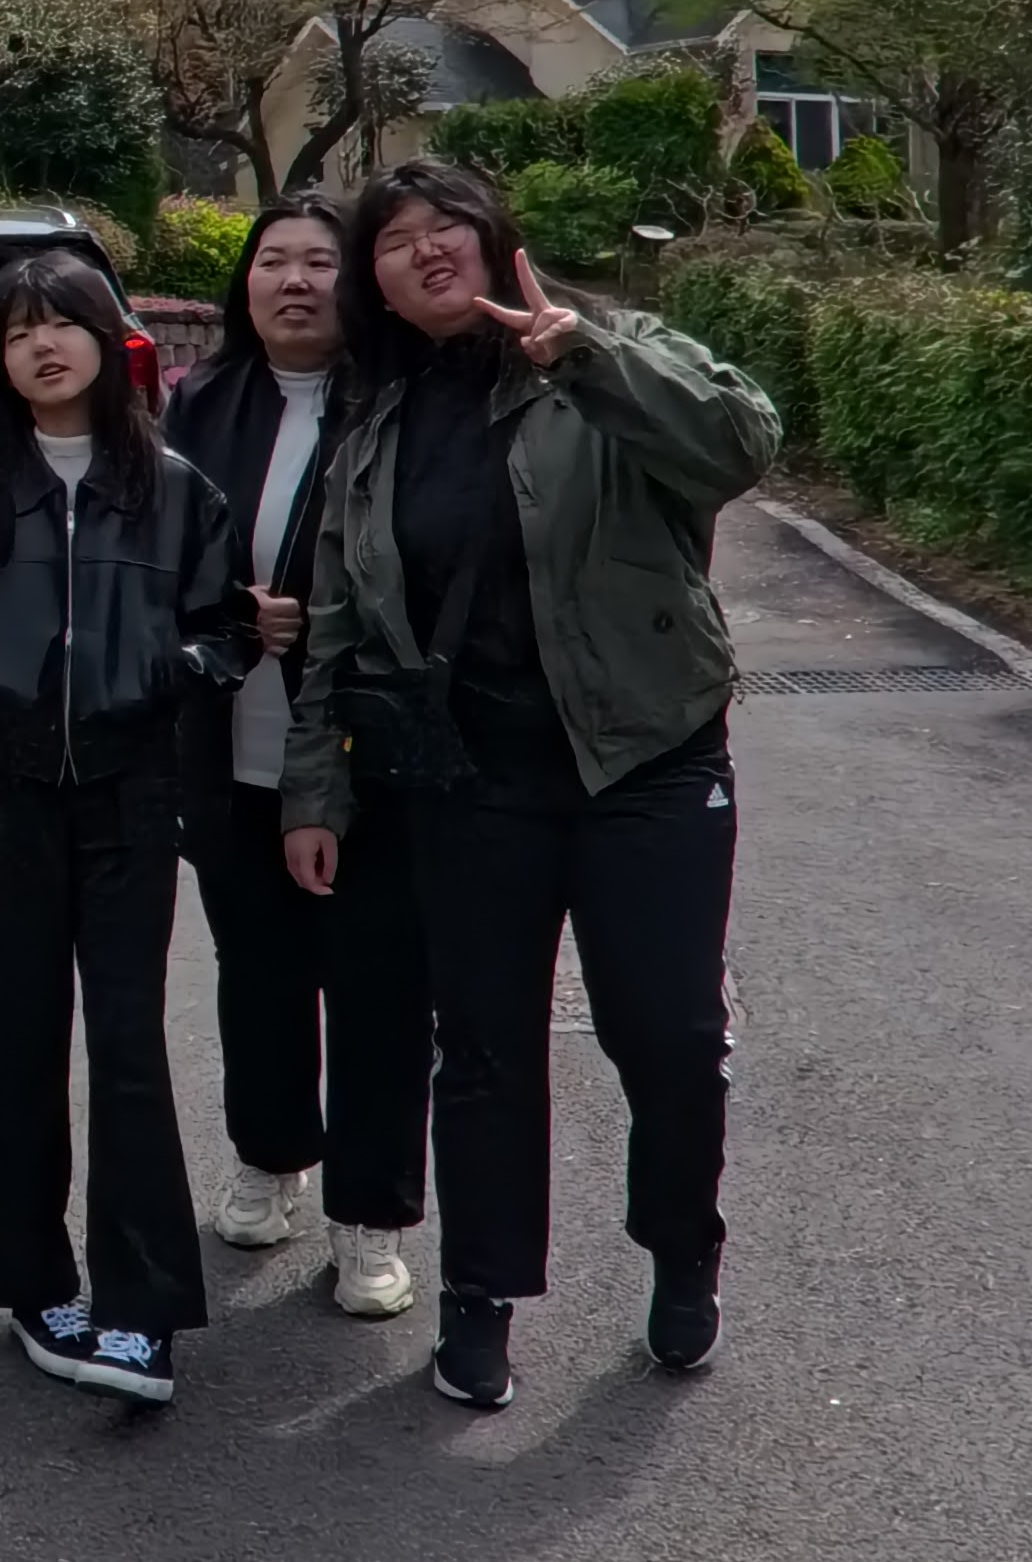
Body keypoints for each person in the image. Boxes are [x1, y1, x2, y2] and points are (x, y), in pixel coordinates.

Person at [282, 159, 779, 1412]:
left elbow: (739, 445)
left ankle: (682, 1250)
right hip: (471, 780)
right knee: (485, 1049)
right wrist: (314, 793)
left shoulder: (609, 348)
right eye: (393, 238)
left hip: (645, 757)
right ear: (376, 285)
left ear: (497, 236)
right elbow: (337, 623)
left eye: (446, 222)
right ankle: (481, 1296)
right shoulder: (376, 428)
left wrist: (583, 356)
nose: (425, 248)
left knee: (667, 1034)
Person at [0, 250, 245, 1404]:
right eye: (17, 331)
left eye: (63, 323)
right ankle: (32, 1285)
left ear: (107, 339)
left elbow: (229, 627)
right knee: (7, 1040)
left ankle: (142, 1307)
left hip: (129, 797)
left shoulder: (174, 488)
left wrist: (166, 672)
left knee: (129, 1046)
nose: (42, 345)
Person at [165, 188, 431, 1323]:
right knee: (259, 974)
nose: (294, 280)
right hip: (232, 750)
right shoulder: (201, 403)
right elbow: (156, 557)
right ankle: (269, 1157)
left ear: (354, 280)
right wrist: (228, 612)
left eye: (319, 260)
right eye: (272, 259)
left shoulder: (404, 399)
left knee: (379, 986)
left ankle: (370, 1215)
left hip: (375, 757)